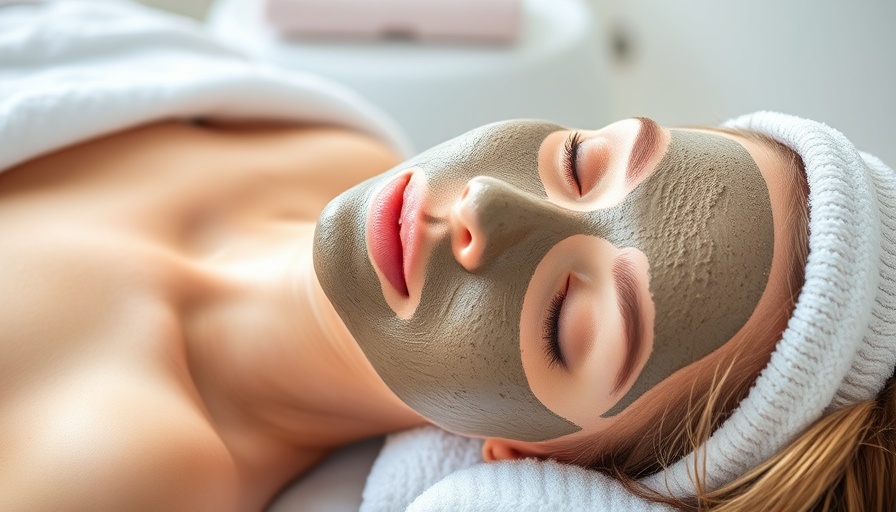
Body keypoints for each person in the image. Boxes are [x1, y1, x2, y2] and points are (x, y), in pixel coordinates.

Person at [1, 2, 893, 512]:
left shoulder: (122, 471)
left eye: (565, 319)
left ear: (526, 461)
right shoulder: (317, 131)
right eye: (582, 163)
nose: (486, 207)